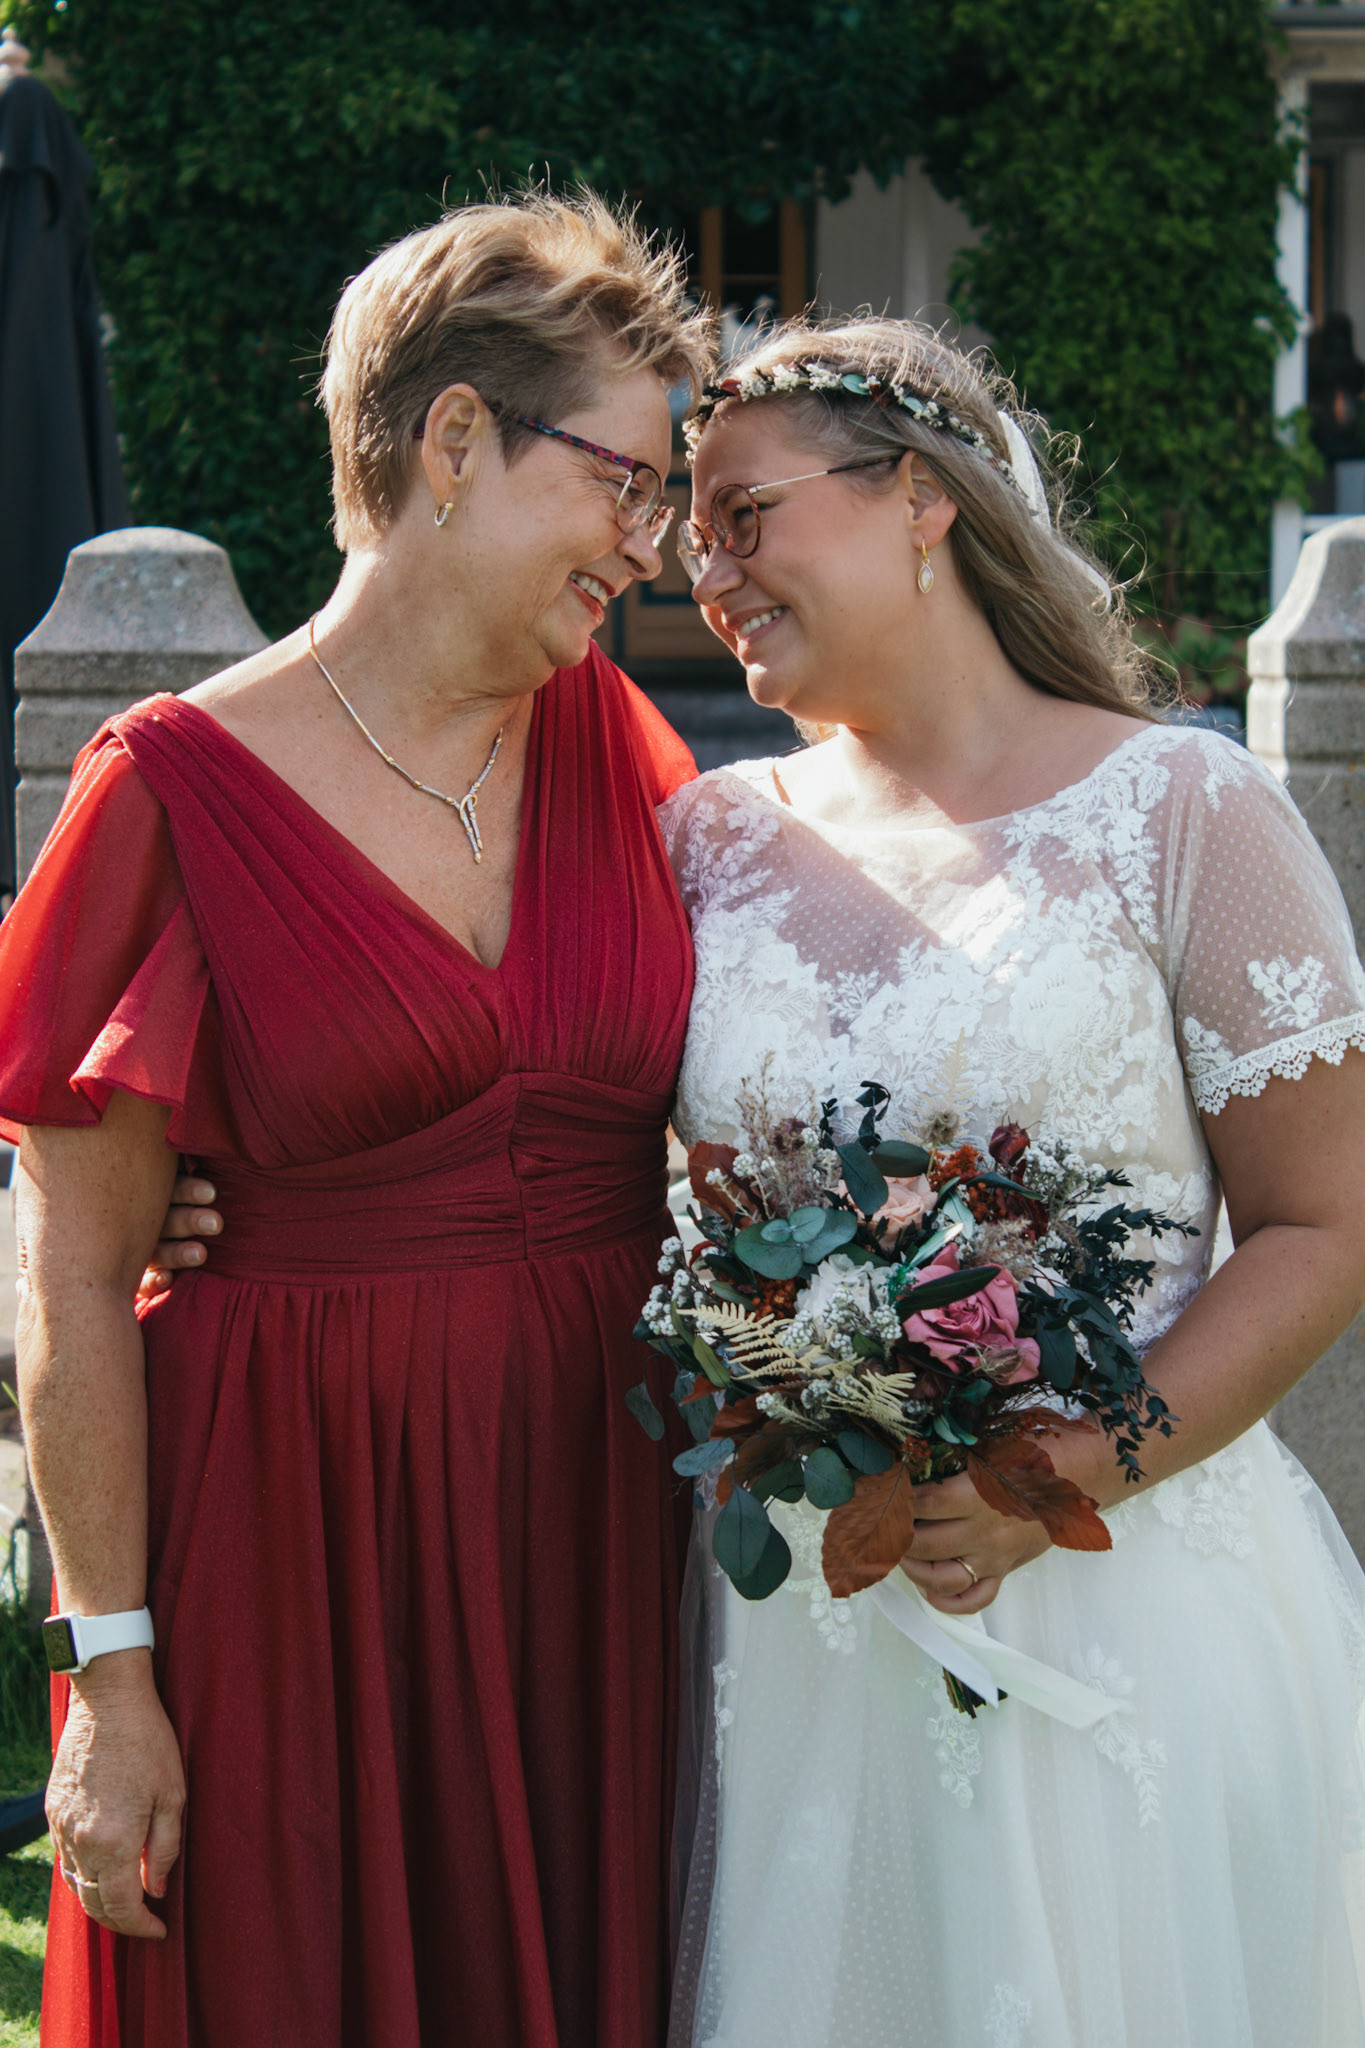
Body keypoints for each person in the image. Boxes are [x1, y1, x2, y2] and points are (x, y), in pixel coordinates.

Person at [0, 191, 712, 2047]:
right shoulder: (171, 792)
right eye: (623, 486)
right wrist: (113, 1679)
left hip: (592, 1534)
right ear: (454, 439)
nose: (646, 548)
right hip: (290, 1548)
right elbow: (68, 1276)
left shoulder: (622, 752)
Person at [653, 319, 1365, 2045]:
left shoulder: (1182, 809)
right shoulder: (708, 839)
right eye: (688, 535)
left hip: (1119, 1598)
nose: (702, 574)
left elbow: (1321, 1221)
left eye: (743, 518)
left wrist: (1061, 1469)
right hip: (808, 1629)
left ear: (918, 499)